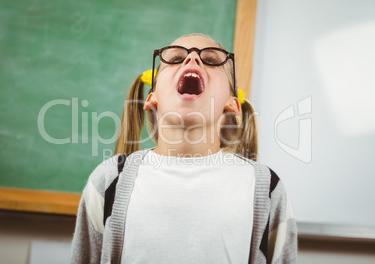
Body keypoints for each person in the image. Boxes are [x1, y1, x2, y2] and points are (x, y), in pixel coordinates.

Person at [70, 33, 298, 264]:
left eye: (210, 60)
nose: (192, 59)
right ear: (152, 98)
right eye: (177, 57)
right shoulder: (109, 180)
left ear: (233, 103)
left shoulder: (265, 188)